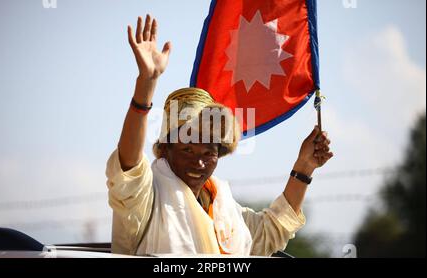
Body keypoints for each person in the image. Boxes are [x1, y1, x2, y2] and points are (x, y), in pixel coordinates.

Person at [105, 15, 333, 256]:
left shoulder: (223, 205)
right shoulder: (146, 197)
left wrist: (304, 167)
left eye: (208, 152)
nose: (199, 162)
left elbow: (270, 232)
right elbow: (128, 170)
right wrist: (146, 84)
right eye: (187, 150)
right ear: (165, 149)